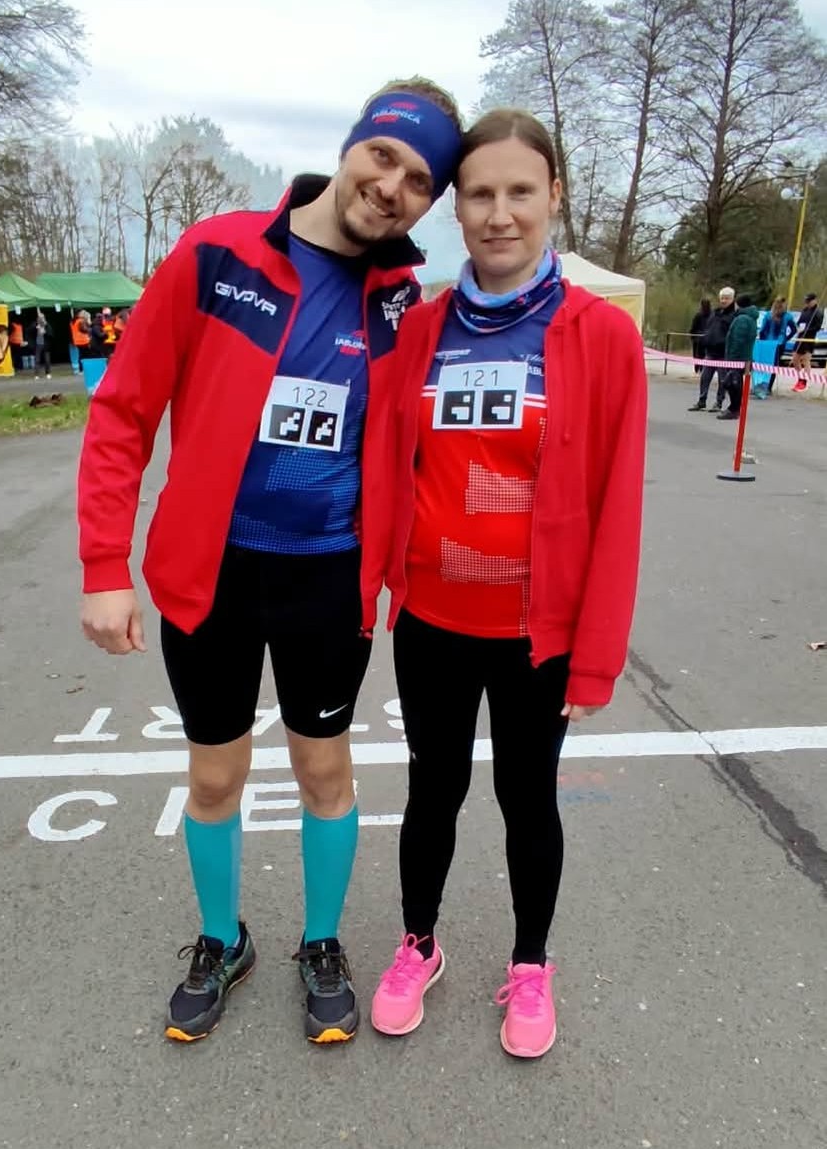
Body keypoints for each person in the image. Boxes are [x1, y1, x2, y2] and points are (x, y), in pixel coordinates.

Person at [76, 77, 463, 1046]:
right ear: (349, 148)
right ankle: (223, 939)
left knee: (324, 769)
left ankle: (321, 943)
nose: (393, 187)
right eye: (384, 157)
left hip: (327, 577)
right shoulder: (217, 254)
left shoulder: (402, 303)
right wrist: (103, 566)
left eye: (421, 181)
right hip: (212, 572)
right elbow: (124, 411)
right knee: (213, 780)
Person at [369, 107, 646, 1059]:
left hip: (538, 634)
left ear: (553, 196)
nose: (498, 213)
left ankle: (530, 963)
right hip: (433, 620)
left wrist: (595, 657)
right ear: (455, 206)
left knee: (528, 802)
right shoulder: (421, 328)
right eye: (479, 193)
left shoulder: (598, 335)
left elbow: (616, 506)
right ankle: (417, 943)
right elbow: (386, 468)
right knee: (431, 791)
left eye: (519, 191)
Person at [688, 286, 735, 411]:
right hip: (710, 351)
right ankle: (701, 401)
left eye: (727, 298)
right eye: (722, 298)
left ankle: (718, 403)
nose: (724, 301)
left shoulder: (733, 316)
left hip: (723, 353)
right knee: (705, 377)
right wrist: (704, 340)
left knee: (722, 380)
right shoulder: (715, 313)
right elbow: (708, 329)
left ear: (732, 299)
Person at [719, 293, 759, 418]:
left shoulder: (742, 319)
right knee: (736, 383)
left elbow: (737, 340)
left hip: (737, 358)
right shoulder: (750, 318)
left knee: (733, 384)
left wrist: (731, 358)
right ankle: (734, 408)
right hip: (745, 357)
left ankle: (734, 408)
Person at [757, 296, 796, 397]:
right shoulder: (788, 316)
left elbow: (762, 330)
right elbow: (794, 330)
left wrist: (762, 340)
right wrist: (786, 338)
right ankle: (769, 388)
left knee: (764, 365)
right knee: (774, 366)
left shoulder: (768, 315)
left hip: (767, 343)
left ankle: (761, 385)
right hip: (779, 344)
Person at [790, 291, 823, 392]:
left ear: (814, 300)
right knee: (795, 359)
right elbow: (799, 322)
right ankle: (801, 378)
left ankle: (804, 382)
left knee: (806, 359)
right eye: (806, 301)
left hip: (809, 338)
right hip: (801, 337)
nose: (807, 303)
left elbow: (817, 327)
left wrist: (806, 330)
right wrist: (798, 327)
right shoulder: (805, 310)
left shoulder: (818, 312)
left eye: (809, 301)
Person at [26, 309, 53, 379]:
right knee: (37, 360)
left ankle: (48, 373)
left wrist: (45, 332)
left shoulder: (47, 325)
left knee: (47, 360)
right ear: (37, 318)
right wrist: (35, 327)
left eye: (42, 317)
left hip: (46, 345)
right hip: (38, 345)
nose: (41, 319)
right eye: (40, 318)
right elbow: (29, 331)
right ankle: (36, 375)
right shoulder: (35, 324)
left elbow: (51, 334)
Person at [689, 298, 711, 373]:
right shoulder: (700, 315)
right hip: (701, 338)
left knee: (699, 354)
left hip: (702, 338)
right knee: (700, 354)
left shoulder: (701, 315)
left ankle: (699, 369)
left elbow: (693, 327)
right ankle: (699, 368)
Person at [69, 310, 91, 374]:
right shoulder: (80, 321)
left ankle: (81, 369)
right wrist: (89, 324)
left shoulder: (72, 322)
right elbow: (85, 330)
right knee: (86, 355)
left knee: (81, 355)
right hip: (84, 340)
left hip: (77, 340)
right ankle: (85, 369)